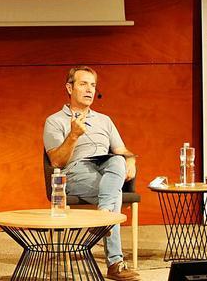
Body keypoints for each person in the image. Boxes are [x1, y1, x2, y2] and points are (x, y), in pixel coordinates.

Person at [43, 66, 140, 281]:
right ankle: (115, 263)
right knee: (112, 193)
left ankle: (104, 218)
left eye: (93, 85)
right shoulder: (55, 121)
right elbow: (57, 161)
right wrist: (74, 135)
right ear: (69, 88)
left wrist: (130, 159)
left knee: (116, 160)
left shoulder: (105, 120)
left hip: (106, 170)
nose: (89, 90)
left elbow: (121, 151)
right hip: (76, 173)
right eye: (83, 84)